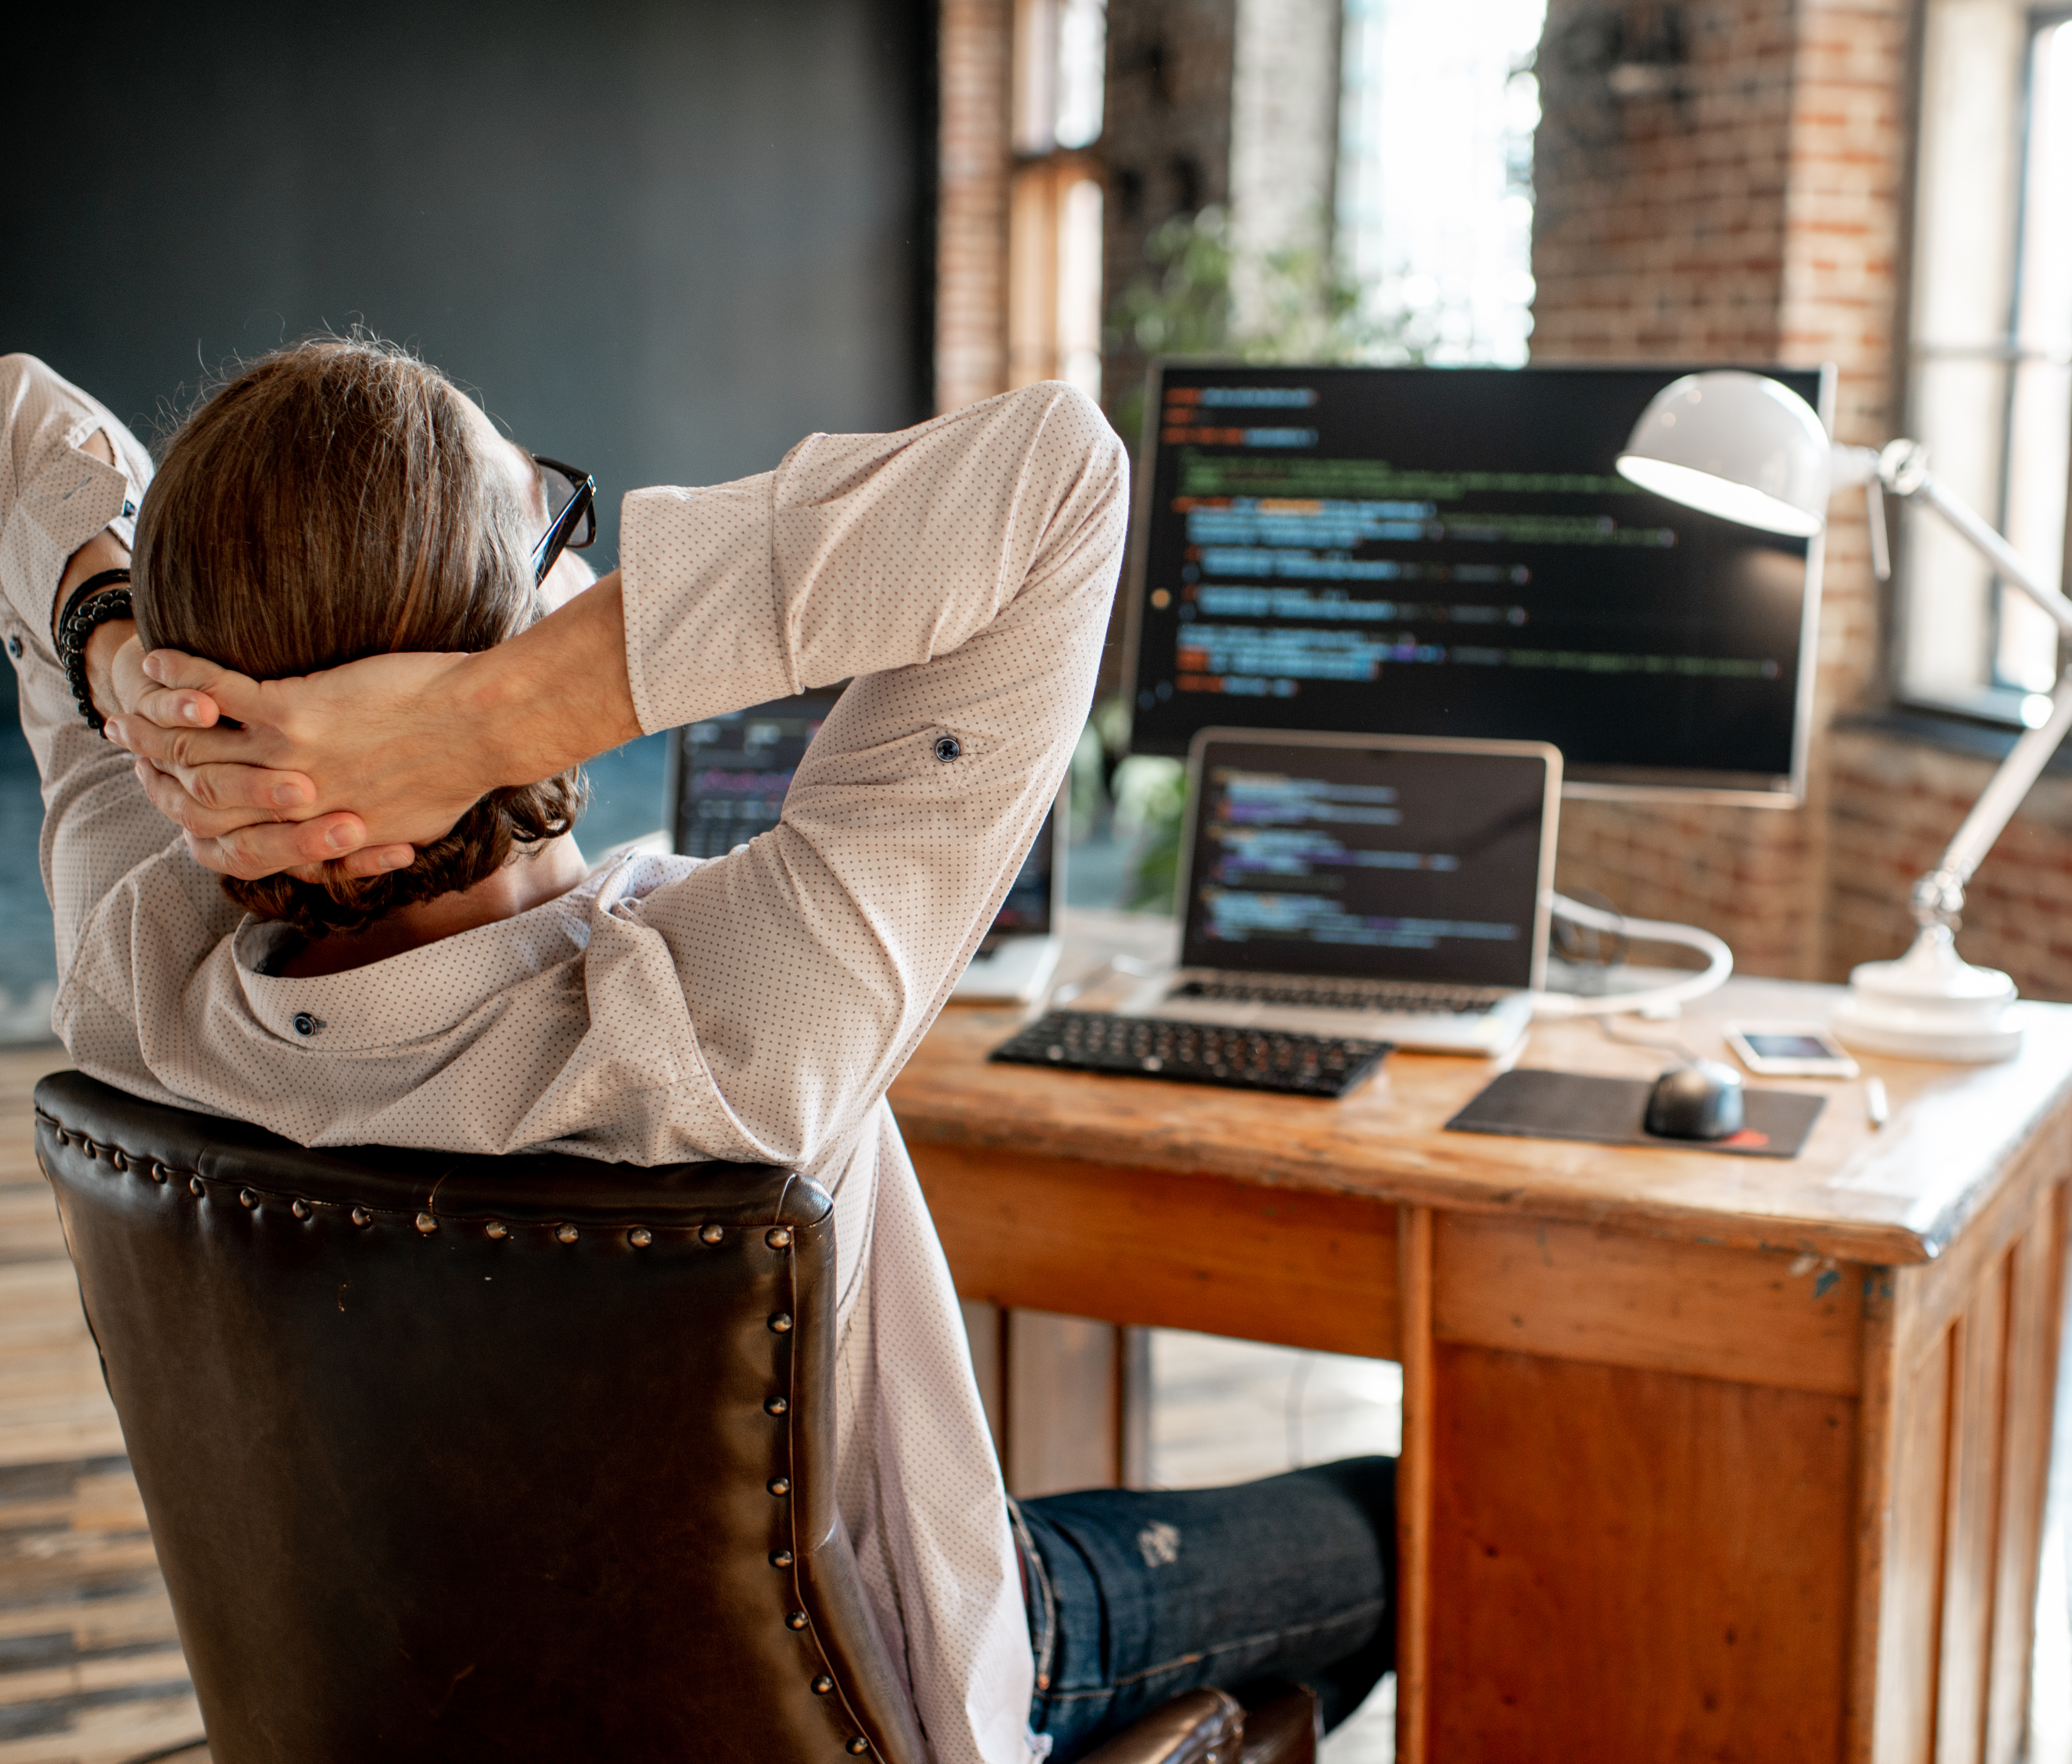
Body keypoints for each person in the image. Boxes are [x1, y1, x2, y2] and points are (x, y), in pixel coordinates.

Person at [3, 339, 1392, 1764]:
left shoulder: (132, 967)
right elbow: (1055, 481)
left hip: (421, 1694)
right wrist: (487, 719)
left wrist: (119, 653)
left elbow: (17, 422)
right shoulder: (724, 1021)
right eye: (550, 537)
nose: (576, 582)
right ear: (497, 651)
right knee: (1399, 1519)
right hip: (905, 1684)